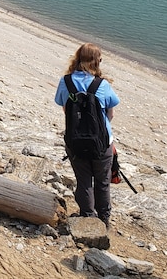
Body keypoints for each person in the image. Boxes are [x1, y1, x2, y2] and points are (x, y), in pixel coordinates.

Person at [54, 42, 120, 228]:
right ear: (97, 61)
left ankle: (87, 216)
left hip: (75, 140)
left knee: (83, 181)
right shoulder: (102, 85)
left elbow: (65, 108)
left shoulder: (65, 81)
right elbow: (111, 113)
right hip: (102, 143)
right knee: (102, 182)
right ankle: (104, 219)